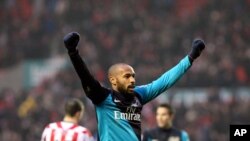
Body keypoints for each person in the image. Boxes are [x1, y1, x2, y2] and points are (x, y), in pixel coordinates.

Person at [63, 32, 205, 141]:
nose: (132, 80)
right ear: (113, 80)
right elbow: (86, 77)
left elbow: (164, 81)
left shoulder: (138, 96)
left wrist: (190, 58)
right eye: (126, 76)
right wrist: (73, 52)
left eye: (133, 76)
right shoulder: (103, 97)